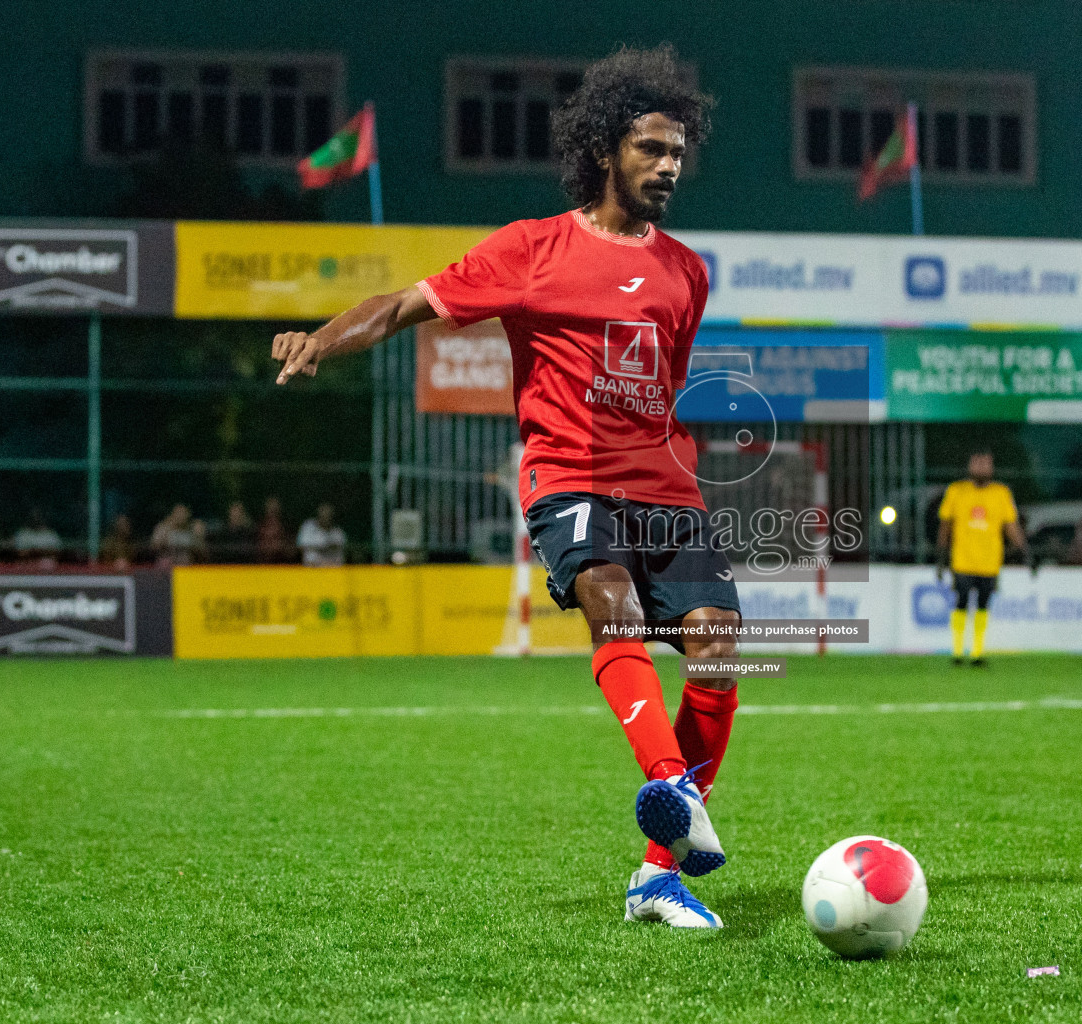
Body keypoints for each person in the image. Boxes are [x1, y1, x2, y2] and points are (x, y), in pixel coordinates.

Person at [271, 46, 737, 929]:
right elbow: (403, 305)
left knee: (717, 651)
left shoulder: (688, 271)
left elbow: (664, 384)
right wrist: (320, 341)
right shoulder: (533, 250)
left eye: (678, 151)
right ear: (607, 149)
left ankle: (655, 874)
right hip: (569, 474)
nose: (668, 165)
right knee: (610, 599)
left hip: (664, 488)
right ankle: (673, 790)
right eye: (651, 149)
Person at [936, 451, 1028, 667]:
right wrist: (941, 556)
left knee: (984, 605)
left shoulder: (1001, 493)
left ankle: (977, 652)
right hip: (963, 560)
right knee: (961, 602)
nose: (981, 468)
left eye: (985, 464)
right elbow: (945, 524)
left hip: (990, 562)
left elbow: (1011, 525)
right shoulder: (956, 490)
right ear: (969, 466)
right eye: (977, 464)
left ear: (992, 468)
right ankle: (958, 652)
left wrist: (1024, 550)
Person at [255, 496, 291, 563]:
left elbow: (290, 547)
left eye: (275, 507)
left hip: (282, 563)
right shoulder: (261, 525)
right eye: (270, 506)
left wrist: (280, 546)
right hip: (262, 564)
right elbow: (257, 545)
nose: (272, 509)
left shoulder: (285, 525)